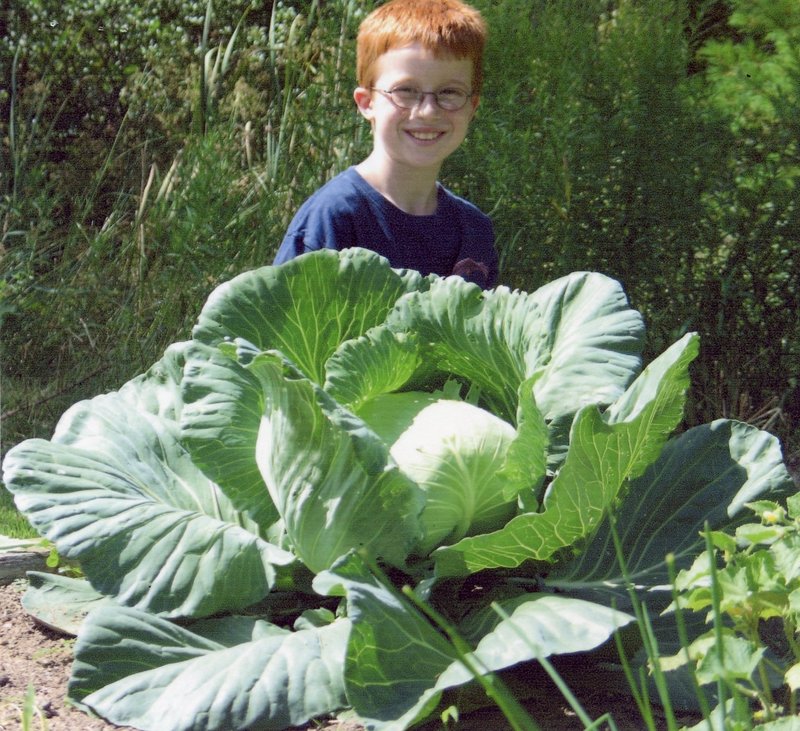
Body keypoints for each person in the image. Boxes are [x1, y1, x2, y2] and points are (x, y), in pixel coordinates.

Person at [273, 0, 498, 288]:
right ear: (367, 103)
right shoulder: (334, 218)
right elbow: (284, 328)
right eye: (405, 90)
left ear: (472, 106)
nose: (428, 110)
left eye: (450, 92)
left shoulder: (474, 229)